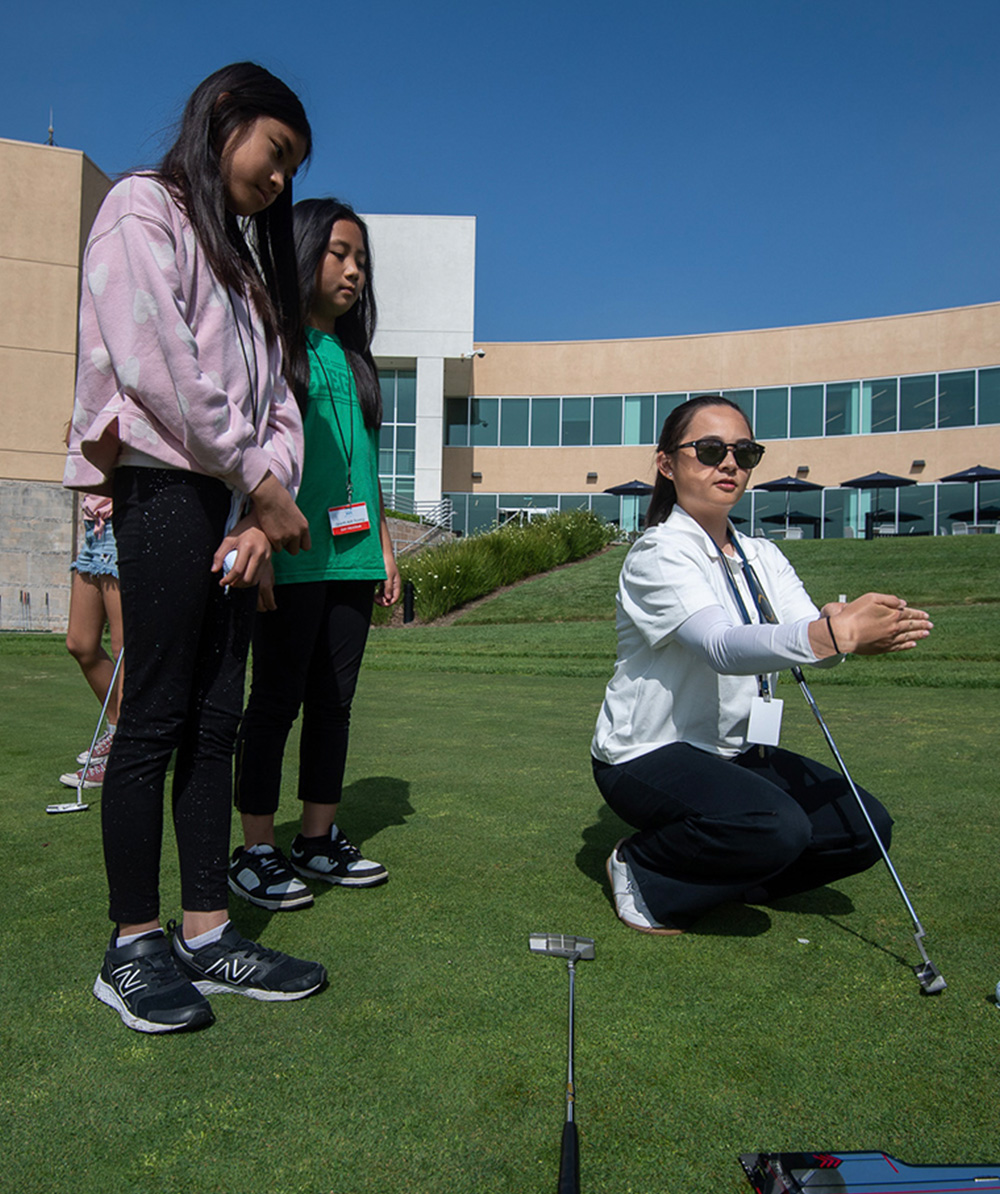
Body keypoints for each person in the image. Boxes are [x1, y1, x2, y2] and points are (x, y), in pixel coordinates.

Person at [63, 63, 327, 1032]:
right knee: (158, 715)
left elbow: (280, 407)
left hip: (233, 508)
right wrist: (256, 483)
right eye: (276, 151)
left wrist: (265, 507)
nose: (280, 178)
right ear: (225, 118)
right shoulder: (143, 209)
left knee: (217, 719)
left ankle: (208, 933)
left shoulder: (250, 275)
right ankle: (133, 944)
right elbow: (158, 367)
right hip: (167, 489)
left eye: (293, 164)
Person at [591, 394, 933, 935]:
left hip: (734, 750)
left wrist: (845, 633)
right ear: (667, 463)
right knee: (775, 825)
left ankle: (728, 874)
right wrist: (832, 634)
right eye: (709, 449)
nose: (729, 463)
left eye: (744, 452)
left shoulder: (763, 555)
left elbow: (808, 643)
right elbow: (722, 647)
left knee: (864, 828)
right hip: (646, 753)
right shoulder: (658, 553)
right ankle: (645, 865)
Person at [229, 198, 401, 912]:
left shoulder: (357, 363)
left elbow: (366, 470)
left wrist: (387, 550)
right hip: (290, 557)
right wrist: (257, 540)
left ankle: (317, 839)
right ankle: (258, 850)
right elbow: (244, 451)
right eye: (339, 253)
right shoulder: (273, 345)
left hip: (355, 563)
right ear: (302, 253)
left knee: (335, 705)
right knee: (274, 703)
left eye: (361, 259)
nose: (354, 270)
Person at [60, 492, 124, 789]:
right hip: (94, 530)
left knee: (125, 650)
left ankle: (123, 751)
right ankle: (117, 730)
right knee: (80, 643)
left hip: (121, 525)